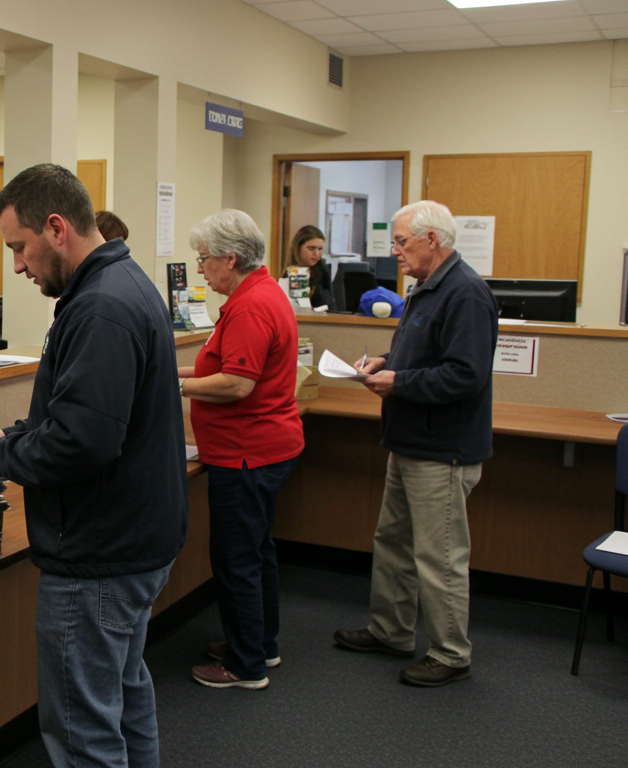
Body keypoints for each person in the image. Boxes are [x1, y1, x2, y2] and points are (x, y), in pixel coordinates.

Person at [0, 164, 188, 768]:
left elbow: (83, 443)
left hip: (98, 552)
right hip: (133, 536)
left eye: (19, 248)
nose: (20, 267)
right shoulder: (122, 284)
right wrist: (13, 434)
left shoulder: (100, 307)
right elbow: (85, 415)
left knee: (84, 731)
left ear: (56, 228)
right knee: (124, 696)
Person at [334, 199, 497, 687]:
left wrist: (399, 383)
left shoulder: (465, 293)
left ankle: (450, 654)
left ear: (432, 240)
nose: (395, 251)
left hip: (441, 449)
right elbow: (421, 350)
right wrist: (386, 361)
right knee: (394, 543)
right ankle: (391, 630)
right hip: (408, 441)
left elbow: (465, 375)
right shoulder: (428, 288)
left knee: (439, 556)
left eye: (401, 242)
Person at [178, 210, 304, 690]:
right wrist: (172, 375)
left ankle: (245, 665)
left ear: (230, 259)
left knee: (237, 559)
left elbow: (235, 384)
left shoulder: (251, 306)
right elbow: (222, 365)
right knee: (256, 552)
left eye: (205, 260)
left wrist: (172, 389)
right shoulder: (260, 293)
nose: (201, 270)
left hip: (247, 453)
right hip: (264, 448)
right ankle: (260, 645)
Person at [285, 225, 331, 309]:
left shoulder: (322, 271)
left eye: (320, 249)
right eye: (311, 248)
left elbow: (330, 305)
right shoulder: (289, 273)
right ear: (298, 248)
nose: (316, 254)